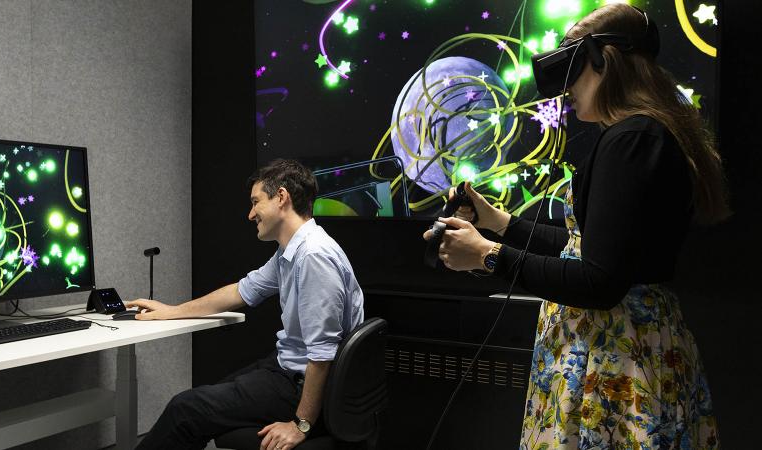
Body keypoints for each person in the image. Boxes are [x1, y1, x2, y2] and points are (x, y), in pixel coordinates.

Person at [424, 4, 725, 448]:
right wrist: (498, 223)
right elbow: (590, 246)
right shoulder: (642, 134)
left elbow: (600, 281)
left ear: (605, 59)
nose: (565, 90)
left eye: (572, 69)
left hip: (616, 362)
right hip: (623, 350)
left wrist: (488, 256)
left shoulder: (632, 139)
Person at [129, 159, 364, 450]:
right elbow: (241, 291)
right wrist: (170, 311)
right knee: (205, 402)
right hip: (286, 367)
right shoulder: (291, 251)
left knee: (185, 409)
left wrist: (300, 425)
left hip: (303, 384)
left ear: (281, 197)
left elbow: (322, 354)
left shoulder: (313, 257)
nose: (250, 213)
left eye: (256, 202)